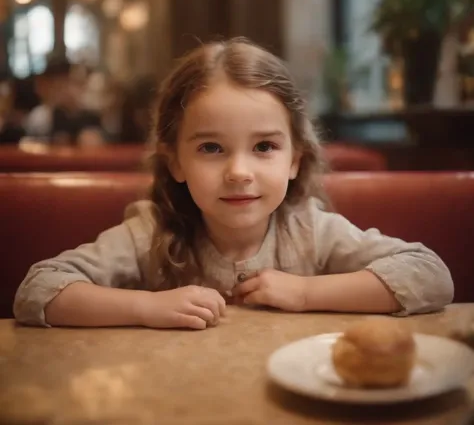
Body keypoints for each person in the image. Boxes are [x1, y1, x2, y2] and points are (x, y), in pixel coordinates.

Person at [14, 38, 454, 329]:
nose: (239, 172)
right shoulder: (152, 230)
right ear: (176, 163)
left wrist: (304, 291)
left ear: (295, 160)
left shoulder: (308, 229)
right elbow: (39, 289)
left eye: (264, 147)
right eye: (211, 148)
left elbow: (430, 276)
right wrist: (144, 307)